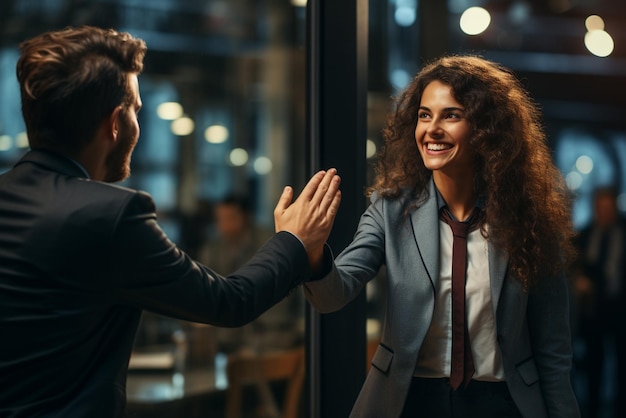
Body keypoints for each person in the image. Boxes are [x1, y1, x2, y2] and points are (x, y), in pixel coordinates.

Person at [0, 25, 341, 417]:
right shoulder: (110, 216)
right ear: (115, 123)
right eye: (136, 111)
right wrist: (293, 241)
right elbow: (228, 302)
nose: (137, 124)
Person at [304, 55, 580, 417]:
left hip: (502, 404)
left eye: (451, 115)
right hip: (410, 401)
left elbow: (553, 351)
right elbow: (332, 295)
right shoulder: (390, 210)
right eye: (424, 114)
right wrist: (310, 251)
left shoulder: (528, 221)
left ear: (485, 128)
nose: (432, 129)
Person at [572, 187, 626, 418]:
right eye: (600, 208)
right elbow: (572, 265)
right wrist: (578, 280)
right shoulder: (585, 234)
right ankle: (592, 410)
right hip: (593, 310)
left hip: (621, 308)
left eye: (608, 207)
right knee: (594, 363)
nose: (604, 213)